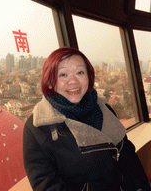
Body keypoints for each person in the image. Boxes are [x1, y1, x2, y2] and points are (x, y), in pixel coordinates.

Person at [23, 47, 151, 191]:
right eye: (63, 74)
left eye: (80, 72)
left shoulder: (104, 110)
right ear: (50, 82)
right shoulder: (37, 127)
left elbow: (129, 159)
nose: (73, 81)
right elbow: (46, 185)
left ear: (88, 77)